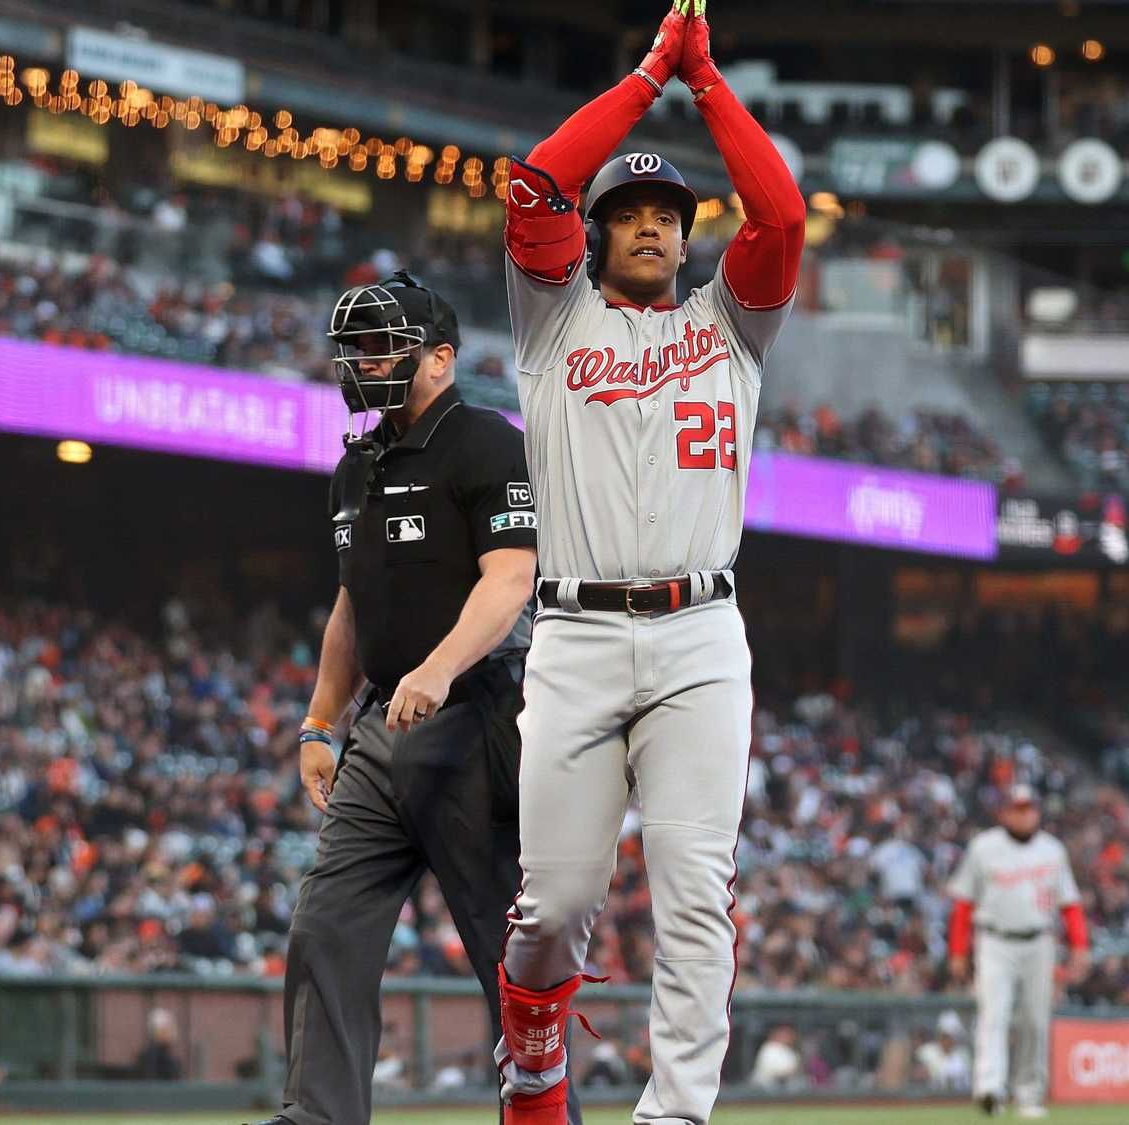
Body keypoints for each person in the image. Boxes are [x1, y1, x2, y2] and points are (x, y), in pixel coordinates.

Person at [492, 0, 806, 1121]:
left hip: (699, 634)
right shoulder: (551, 321)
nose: (645, 227)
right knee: (555, 904)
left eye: (665, 215)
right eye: (623, 213)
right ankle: (535, 1053)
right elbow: (535, 184)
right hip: (574, 633)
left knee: (694, 892)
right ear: (595, 235)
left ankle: (674, 1113)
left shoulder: (732, 329)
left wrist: (707, 86)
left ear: (685, 237)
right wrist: (645, 78)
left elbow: (781, 214)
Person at [251, 272, 563, 1125]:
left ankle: (546, 1116)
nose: (364, 362)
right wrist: (319, 722)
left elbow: (512, 579)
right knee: (326, 920)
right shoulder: (356, 467)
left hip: (475, 714)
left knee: (504, 947)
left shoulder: (485, 443)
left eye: (384, 347)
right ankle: (320, 1114)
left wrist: (441, 667)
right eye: (356, 348)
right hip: (382, 728)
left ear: (440, 359)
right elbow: (352, 607)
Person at [947, 784, 1090, 1118]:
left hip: (1040, 941)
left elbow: (1070, 905)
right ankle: (989, 1089)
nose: (1025, 815)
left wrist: (1080, 947)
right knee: (993, 1014)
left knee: (1035, 1019)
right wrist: (957, 950)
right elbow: (963, 904)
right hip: (994, 941)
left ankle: (1029, 1093)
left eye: (1029, 809)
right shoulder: (984, 847)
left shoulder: (1052, 850)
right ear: (1004, 812)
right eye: (1018, 809)